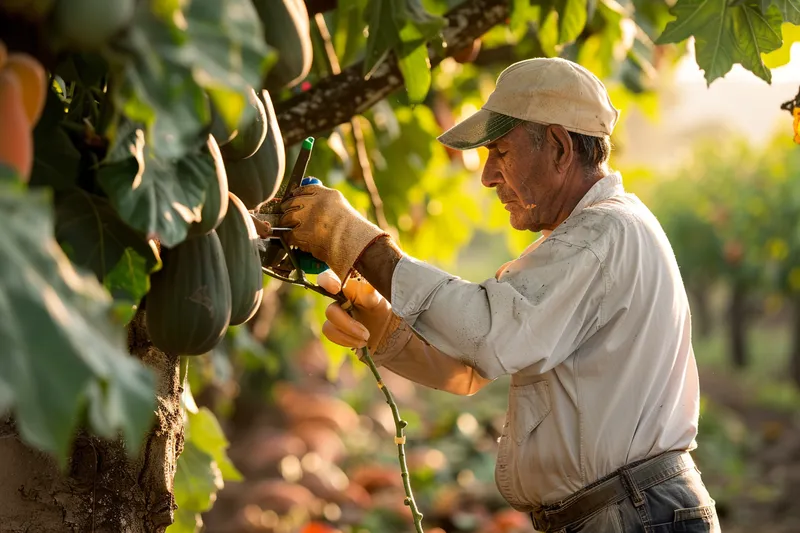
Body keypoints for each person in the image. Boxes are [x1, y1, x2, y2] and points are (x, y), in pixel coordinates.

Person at [279, 57, 720, 532]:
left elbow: (489, 335)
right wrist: (383, 323)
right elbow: (469, 371)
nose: (488, 176)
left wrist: (358, 243)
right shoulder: (586, 238)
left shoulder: (601, 234)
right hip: (628, 511)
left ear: (558, 147)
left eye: (501, 153)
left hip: (637, 515)